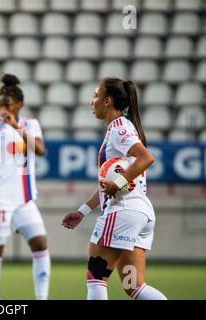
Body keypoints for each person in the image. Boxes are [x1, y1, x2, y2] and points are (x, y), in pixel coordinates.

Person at [62, 78, 167, 300]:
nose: (92, 102)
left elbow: (146, 158)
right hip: (140, 215)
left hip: (123, 212)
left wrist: (119, 183)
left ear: (107, 101)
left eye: (95, 95)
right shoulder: (120, 129)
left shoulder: (119, 129)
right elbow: (107, 185)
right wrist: (82, 211)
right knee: (134, 286)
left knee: (96, 277)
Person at [0, 74, 51, 300]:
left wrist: (16, 126)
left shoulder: (30, 125)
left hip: (24, 200)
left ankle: (41, 298)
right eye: (0, 105)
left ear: (19, 104)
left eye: (8, 105)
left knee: (40, 245)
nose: (3, 110)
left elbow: (40, 150)